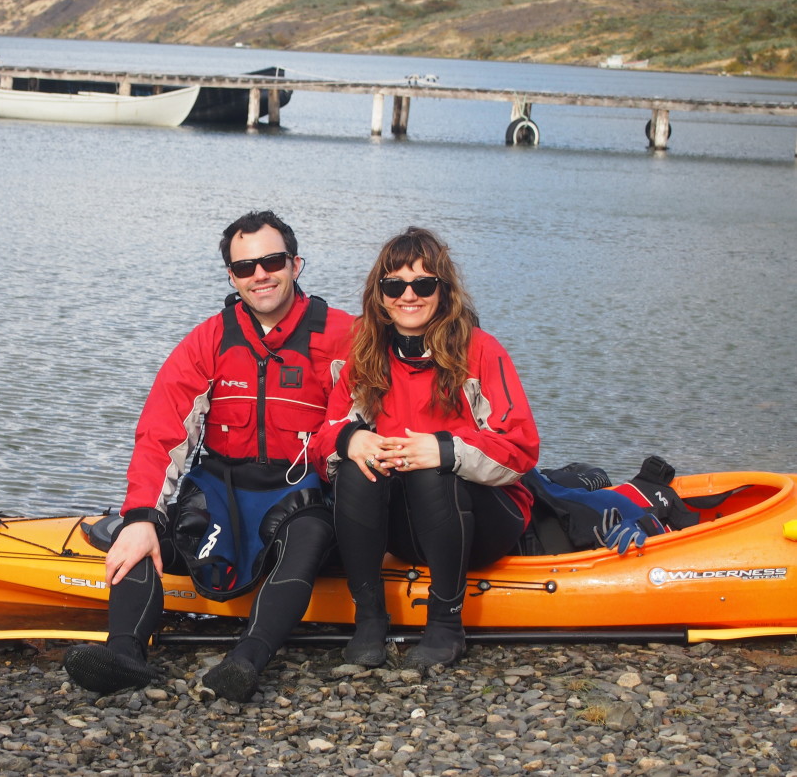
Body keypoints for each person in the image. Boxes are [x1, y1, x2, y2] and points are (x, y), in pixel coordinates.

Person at [64, 210, 354, 702]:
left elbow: (374, 414)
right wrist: (141, 516)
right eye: (245, 267)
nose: (260, 274)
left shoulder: (345, 335)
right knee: (143, 532)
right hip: (220, 490)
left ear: (296, 264)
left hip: (299, 494)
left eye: (272, 261)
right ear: (232, 277)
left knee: (309, 533)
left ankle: (246, 661)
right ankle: (124, 655)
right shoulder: (210, 339)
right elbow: (161, 432)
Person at [313, 227, 539, 672]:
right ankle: (370, 620)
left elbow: (521, 449)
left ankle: (445, 626)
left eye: (423, 284)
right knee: (358, 465)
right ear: (380, 295)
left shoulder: (480, 351)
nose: (408, 296)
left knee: (431, 469)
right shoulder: (367, 357)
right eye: (395, 285)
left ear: (444, 290)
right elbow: (323, 440)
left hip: (481, 520)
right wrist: (350, 439)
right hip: (407, 526)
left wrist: (444, 449)